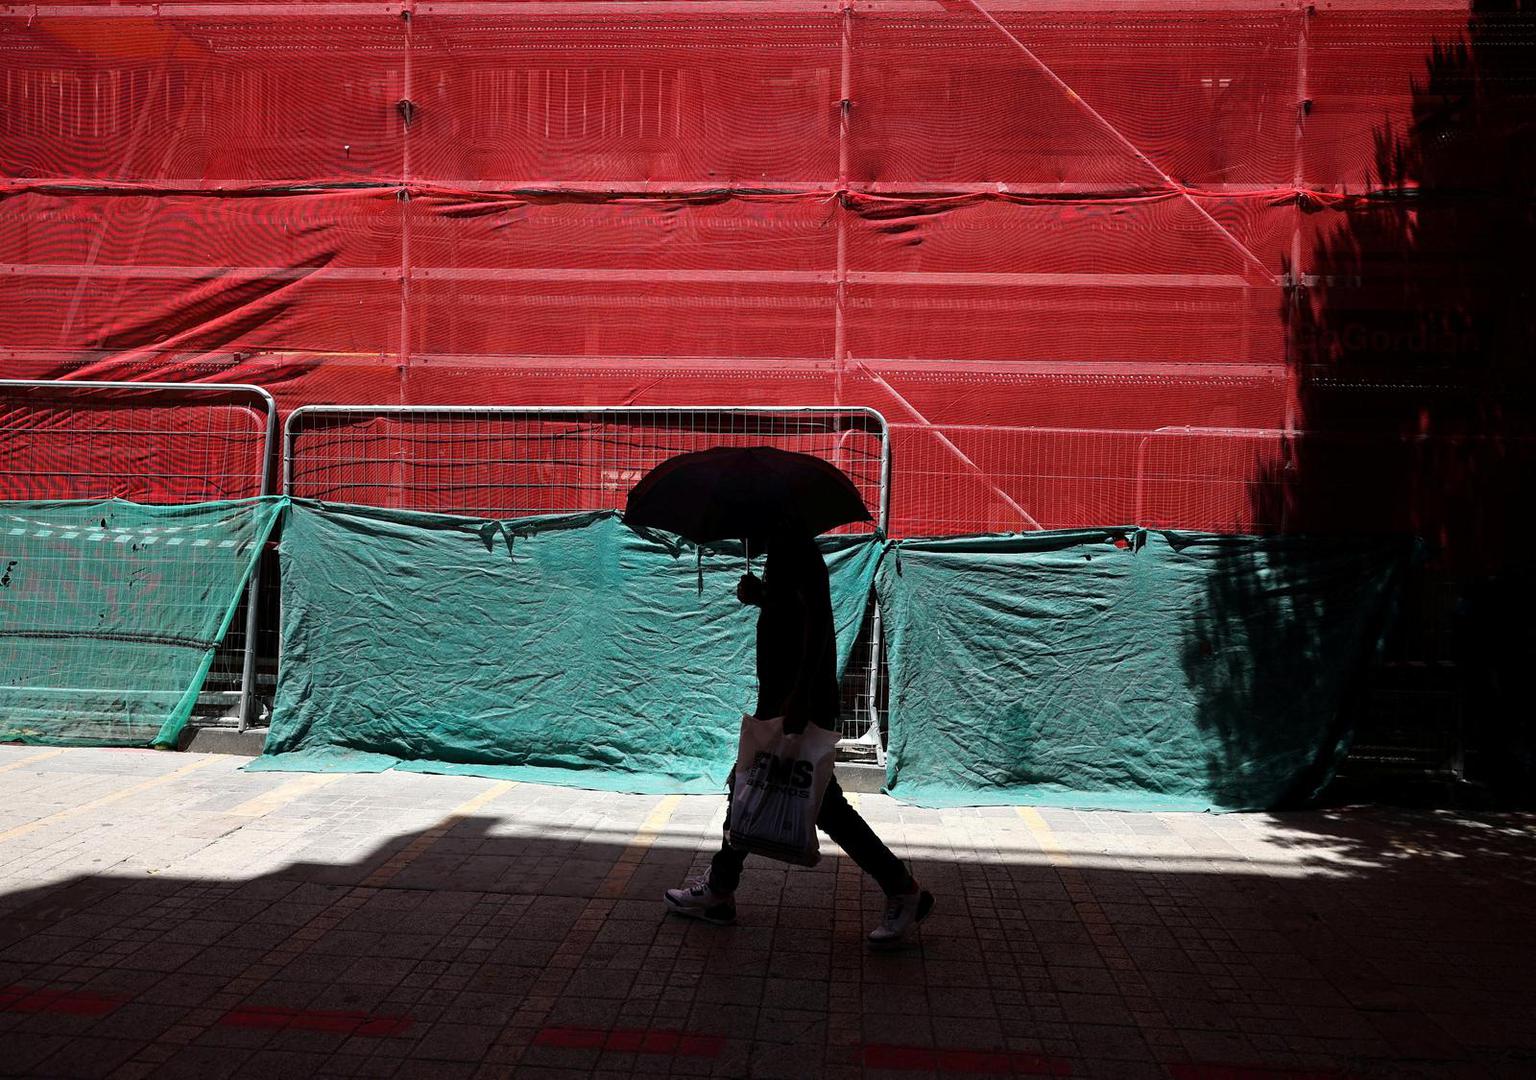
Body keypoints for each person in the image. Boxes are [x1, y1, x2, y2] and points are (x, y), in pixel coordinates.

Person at [665, 527, 934, 944]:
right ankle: (719, 890)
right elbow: (794, 614)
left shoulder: (795, 552)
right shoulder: (787, 552)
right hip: (789, 698)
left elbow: (811, 627)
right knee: (753, 786)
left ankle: (902, 888)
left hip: (795, 702)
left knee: (780, 794)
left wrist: (798, 699)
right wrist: (765, 598)